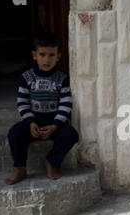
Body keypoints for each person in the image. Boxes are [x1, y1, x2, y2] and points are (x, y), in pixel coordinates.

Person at [5, 32, 79, 185]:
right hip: (34, 122)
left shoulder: (62, 78)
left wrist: (55, 125)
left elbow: (66, 103)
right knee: (14, 133)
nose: (47, 59)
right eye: (42, 54)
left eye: (51, 55)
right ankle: (20, 168)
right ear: (34, 55)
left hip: (53, 122)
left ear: (58, 56)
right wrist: (30, 122)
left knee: (71, 134)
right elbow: (22, 102)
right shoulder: (27, 77)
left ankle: (51, 162)